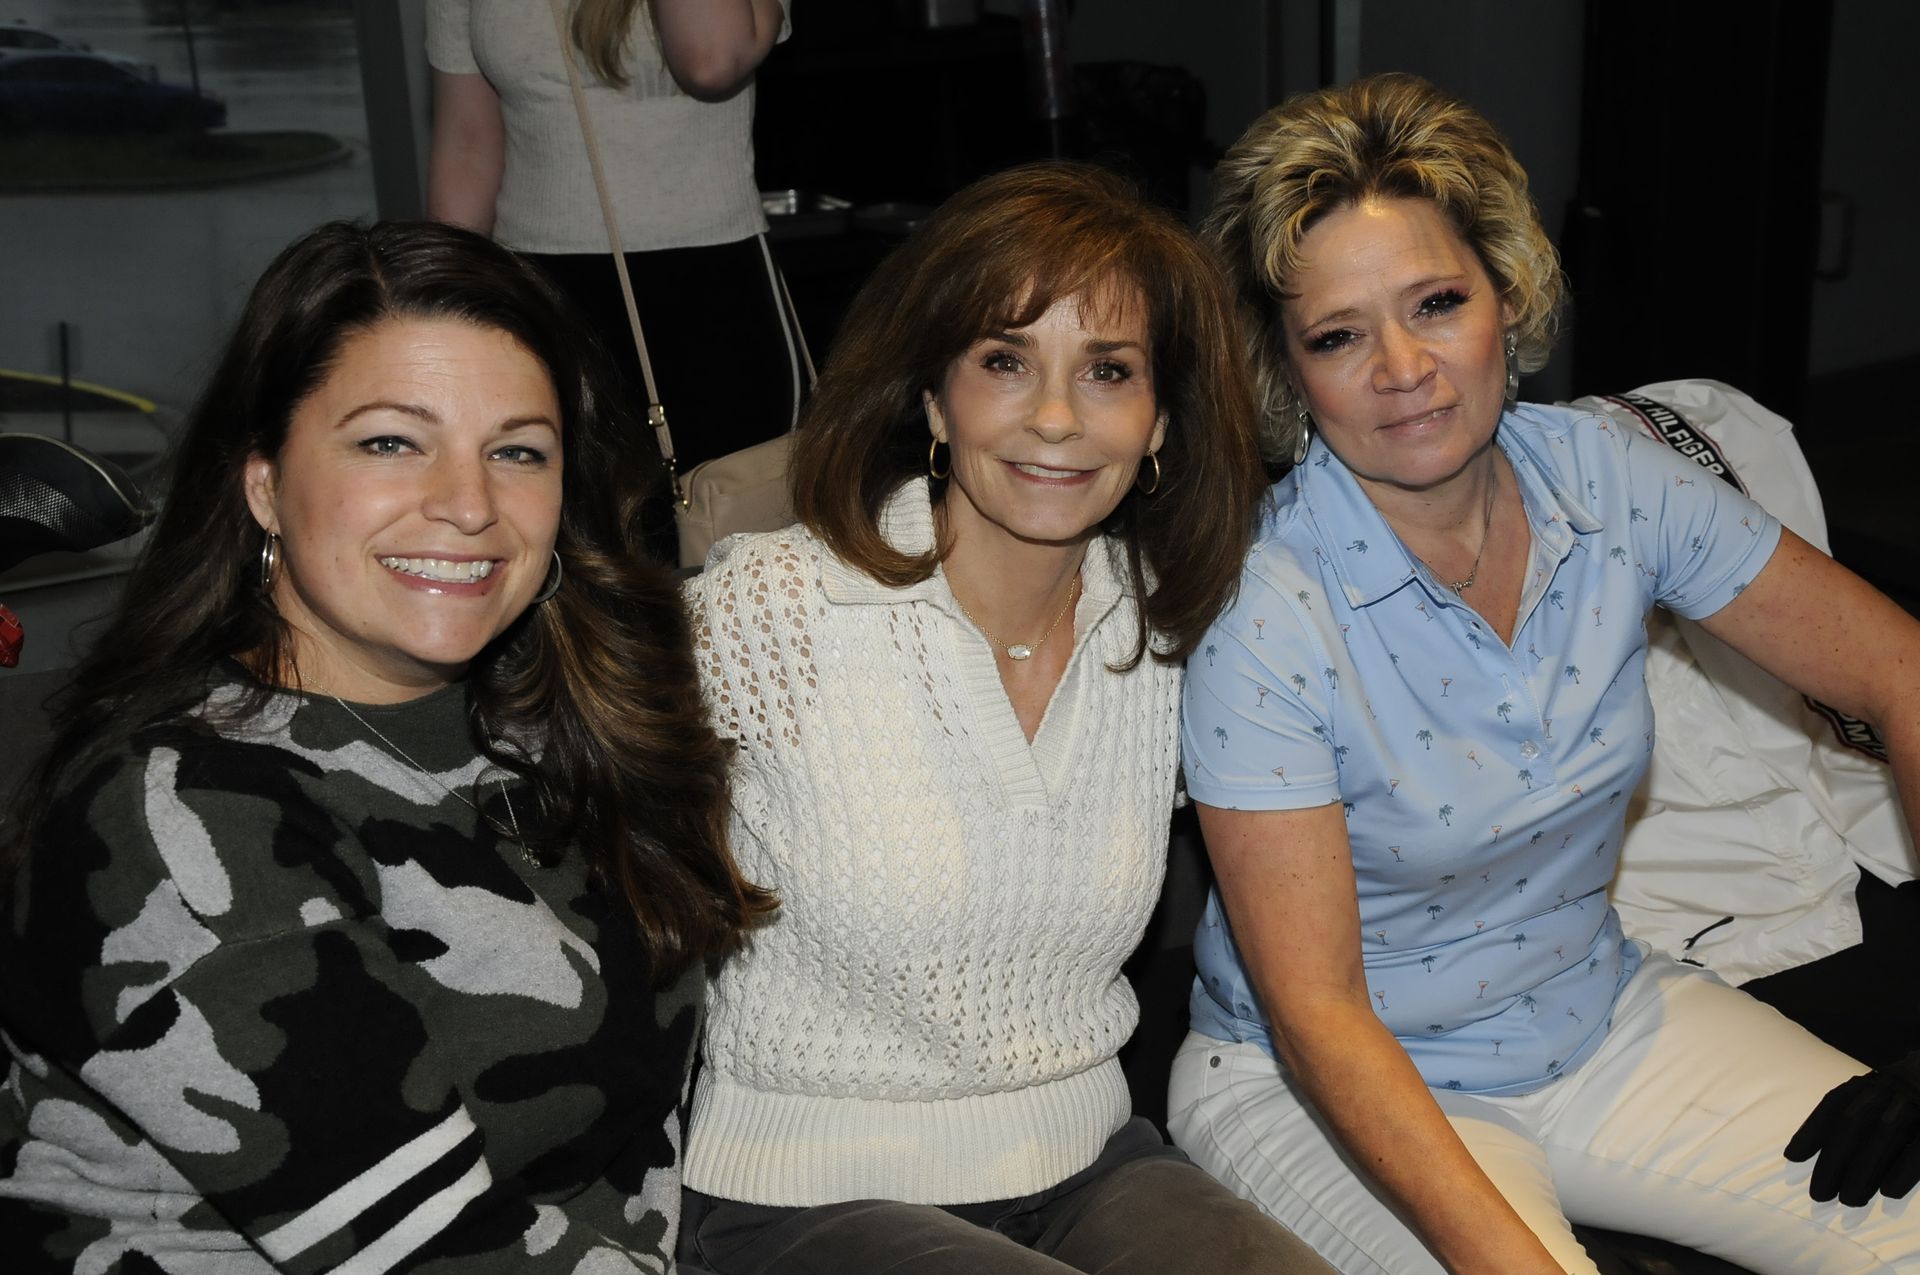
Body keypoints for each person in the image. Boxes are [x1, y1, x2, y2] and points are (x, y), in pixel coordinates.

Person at [1172, 73, 1920, 1275]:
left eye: (1436, 302)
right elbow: (1318, 1018)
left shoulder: (1609, 476)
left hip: (1597, 1015)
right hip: (1320, 1089)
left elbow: (1898, 668)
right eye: (1338, 335)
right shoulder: (1264, 606)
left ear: (1507, 294)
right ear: (1285, 370)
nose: (1403, 366)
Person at [0, 220, 772, 1271]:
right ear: (264, 482)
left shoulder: (552, 721)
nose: (468, 505)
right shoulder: (170, 819)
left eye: (517, 451)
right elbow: (433, 1252)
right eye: (390, 442)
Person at [674, 162, 1332, 1274]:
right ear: (935, 399)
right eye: (1005, 362)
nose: (1059, 418)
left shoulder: (1171, 634)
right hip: (803, 1194)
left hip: (1091, 1164)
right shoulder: (775, 608)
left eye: (1109, 370)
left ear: (1160, 416)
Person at [427, 0, 800, 474]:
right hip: (533, 293)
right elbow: (468, 142)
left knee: (725, 528)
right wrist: (443, 312)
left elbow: (710, 60)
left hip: (711, 291)